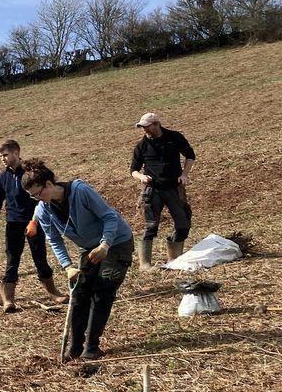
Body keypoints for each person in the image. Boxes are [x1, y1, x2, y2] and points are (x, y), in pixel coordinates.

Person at [22, 159, 134, 360]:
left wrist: (105, 245)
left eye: (38, 193)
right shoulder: (42, 209)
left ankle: (91, 348)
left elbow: (110, 217)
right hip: (89, 247)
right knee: (80, 292)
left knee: (103, 290)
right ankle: (74, 347)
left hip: (116, 242)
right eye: (32, 197)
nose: (38, 199)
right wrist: (68, 267)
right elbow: (54, 239)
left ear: (49, 184)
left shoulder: (81, 191)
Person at [0, 139, 69, 312]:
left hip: (35, 221)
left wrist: (34, 221)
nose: (2, 159)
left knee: (40, 258)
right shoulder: (2, 178)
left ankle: (53, 292)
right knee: (12, 261)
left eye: (5, 155)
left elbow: (41, 198)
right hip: (13, 224)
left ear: (16, 153)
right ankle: (8, 299)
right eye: (0, 156)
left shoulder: (30, 172)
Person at [130, 112, 196, 270]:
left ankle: (175, 260)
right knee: (150, 226)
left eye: (147, 127)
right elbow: (133, 169)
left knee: (183, 224)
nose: (145, 130)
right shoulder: (142, 145)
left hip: (174, 188)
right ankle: (144, 264)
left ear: (157, 124)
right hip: (153, 191)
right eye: (142, 127)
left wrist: (184, 174)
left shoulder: (174, 137)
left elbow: (190, 155)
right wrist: (141, 177)